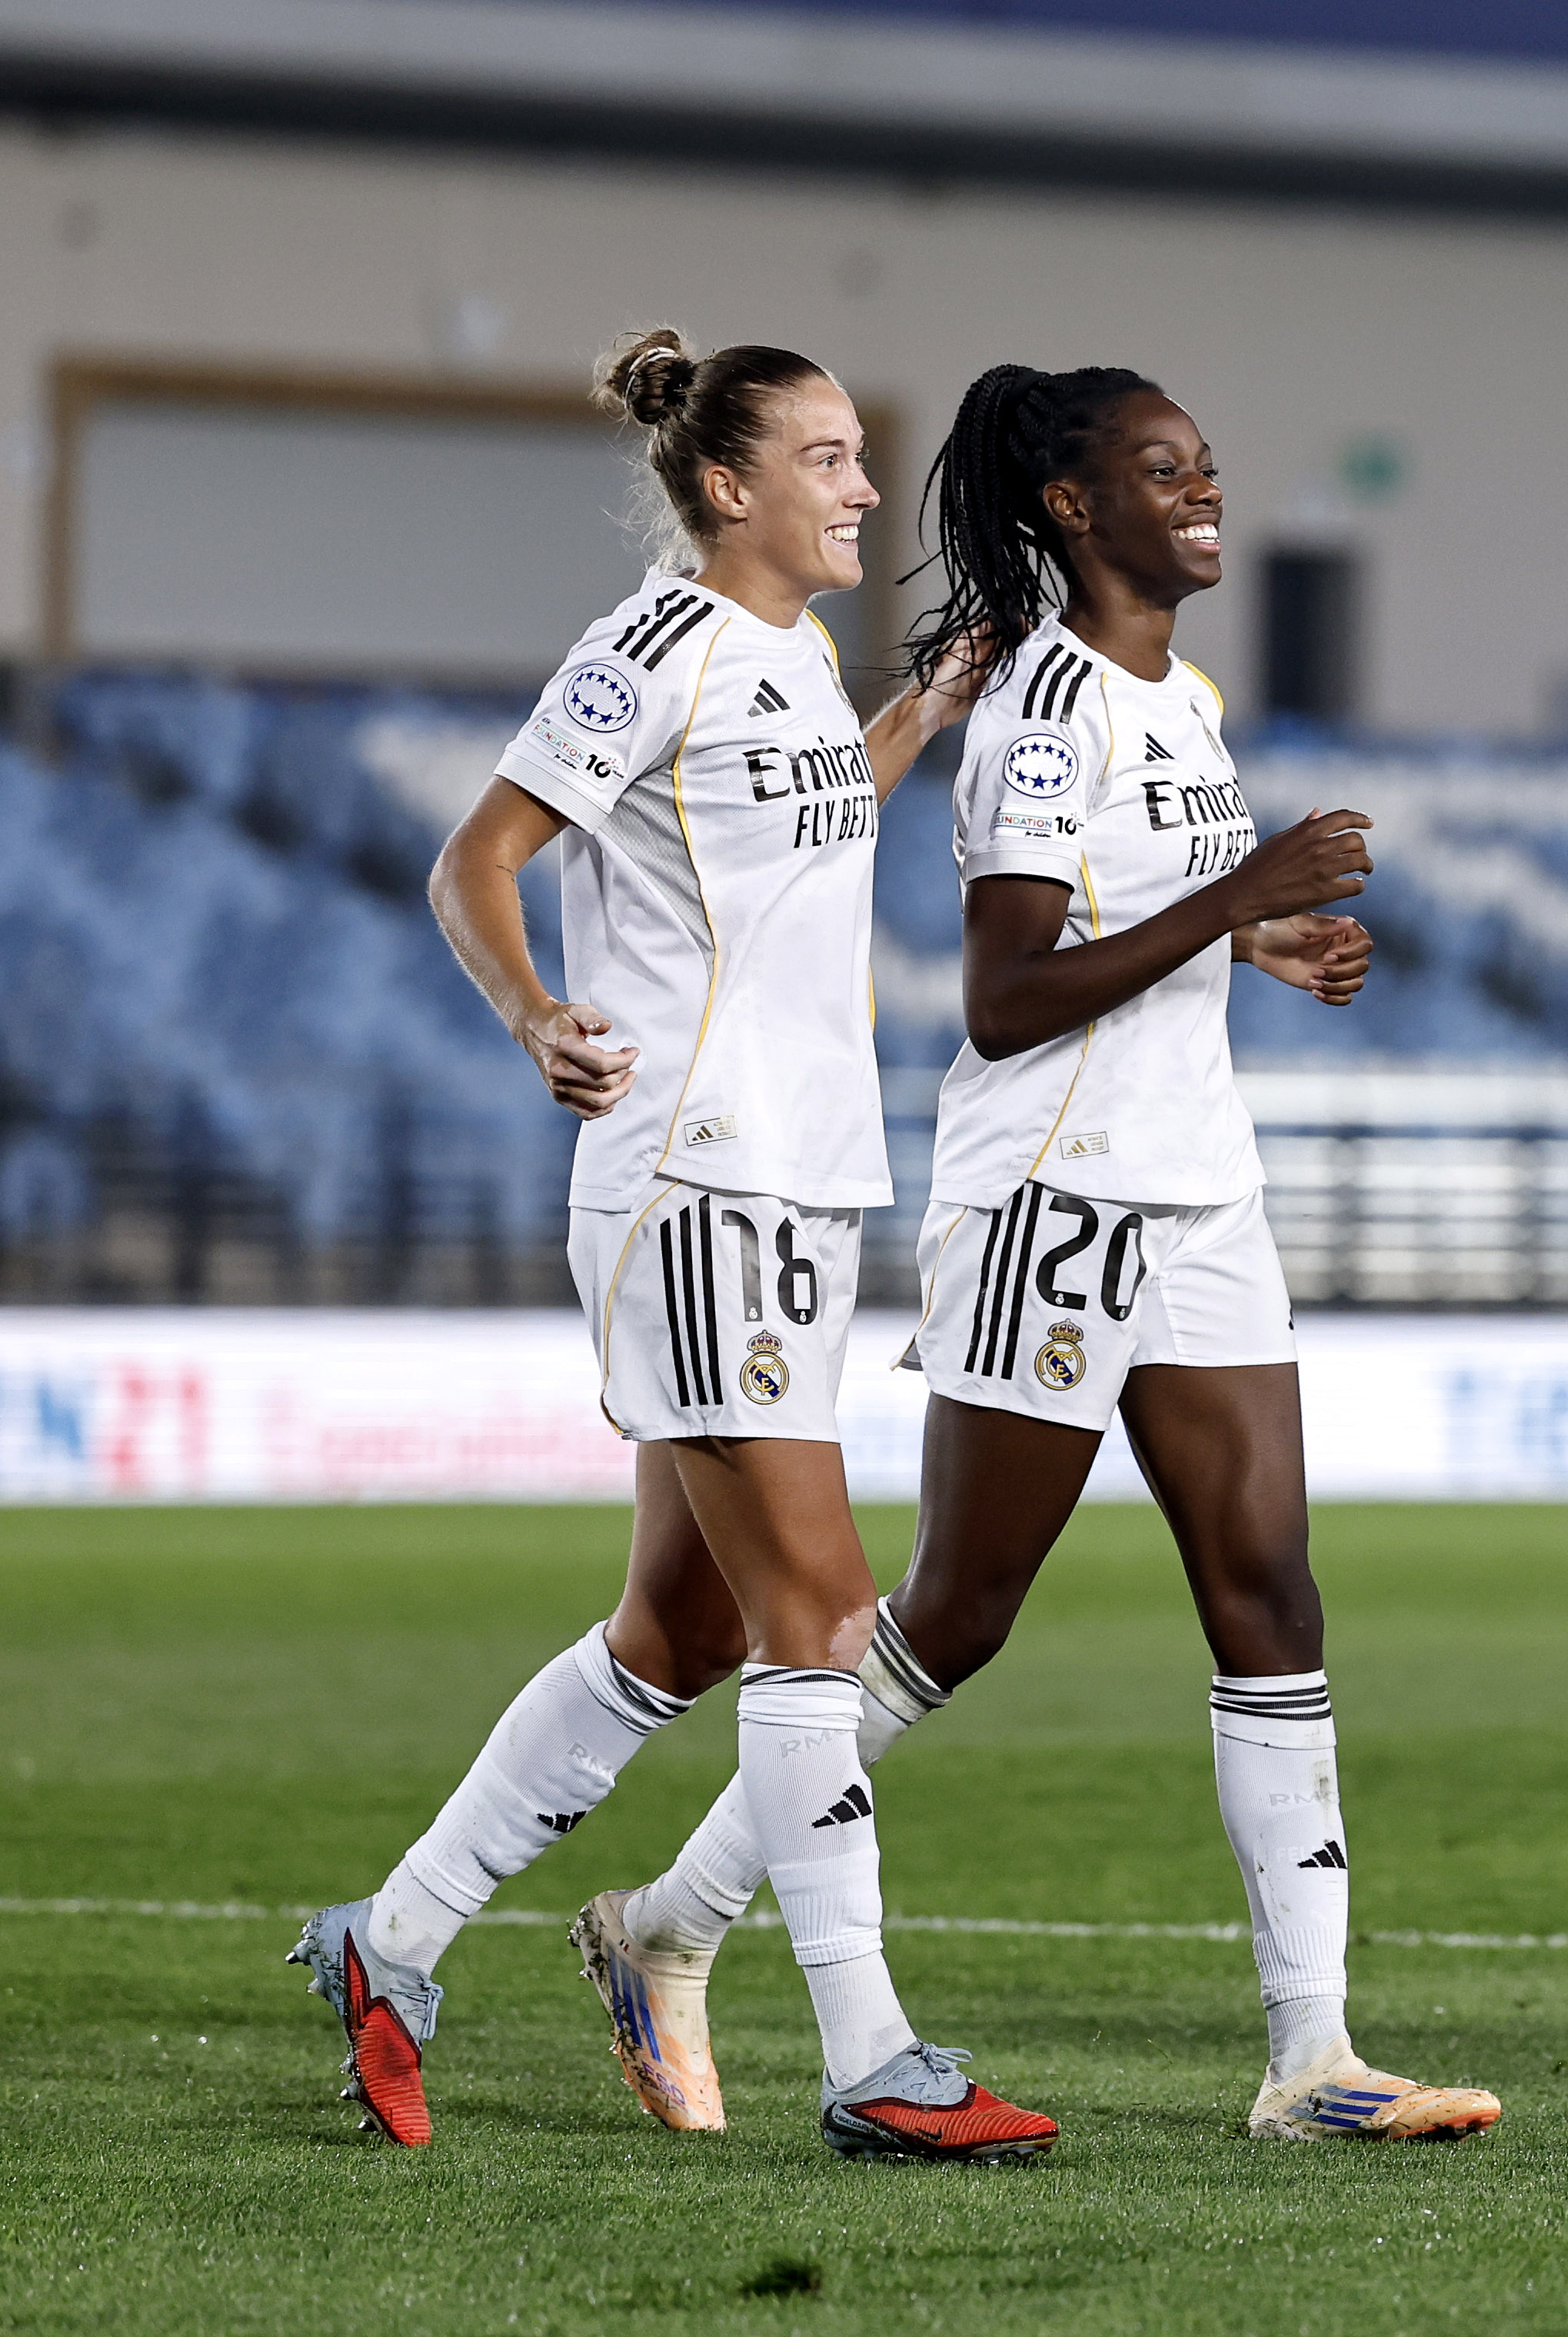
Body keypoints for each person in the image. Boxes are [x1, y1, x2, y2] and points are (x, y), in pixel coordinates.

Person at [565, 364, 1502, 2149]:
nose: (1204, 491)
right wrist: (1238, 901)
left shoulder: (1189, 700)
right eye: (1166, 470)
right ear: (1076, 508)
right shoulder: (1045, 713)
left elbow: (1131, 932)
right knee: (951, 1618)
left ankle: (1315, 2059)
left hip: (1196, 1188)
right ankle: (672, 1921)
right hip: (1053, 1198)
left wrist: (1259, 948)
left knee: (1271, 1593)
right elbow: (1006, 999)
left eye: (1210, 463)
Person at [292, 329, 1047, 2160]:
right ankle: (871, 2059)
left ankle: (388, 1945)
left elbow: (789, 841)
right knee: (822, 1613)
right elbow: (475, 856)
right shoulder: (651, 646)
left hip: (794, 1178)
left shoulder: (789, 660)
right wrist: (537, 1012)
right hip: (691, 1173)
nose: (866, 485)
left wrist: (918, 718)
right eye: (829, 457)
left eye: (863, 457)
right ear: (729, 486)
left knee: (684, 1629)